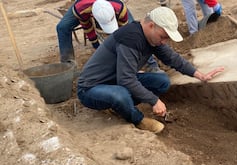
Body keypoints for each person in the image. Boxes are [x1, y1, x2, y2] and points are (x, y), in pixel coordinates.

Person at [77, 7, 224, 133]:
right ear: (151, 25)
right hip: (91, 89)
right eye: (163, 36)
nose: (164, 41)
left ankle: (121, 106)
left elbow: (172, 58)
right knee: (120, 95)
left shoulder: (152, 37)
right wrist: (154, 101)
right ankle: (138, 120)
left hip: (116, 81)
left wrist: (199, 75)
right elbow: (126, 79)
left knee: (162, 81)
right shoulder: (131, 39)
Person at [56, 0, 162, 72]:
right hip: (86, 4)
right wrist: (96, 45)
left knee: (134, 31)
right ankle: (68, 66)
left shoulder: (120, 8)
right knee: (62, 27)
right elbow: (87, 25)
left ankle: (151, 65)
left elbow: (126, 32)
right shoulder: (80, 8)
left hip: (111, 4)